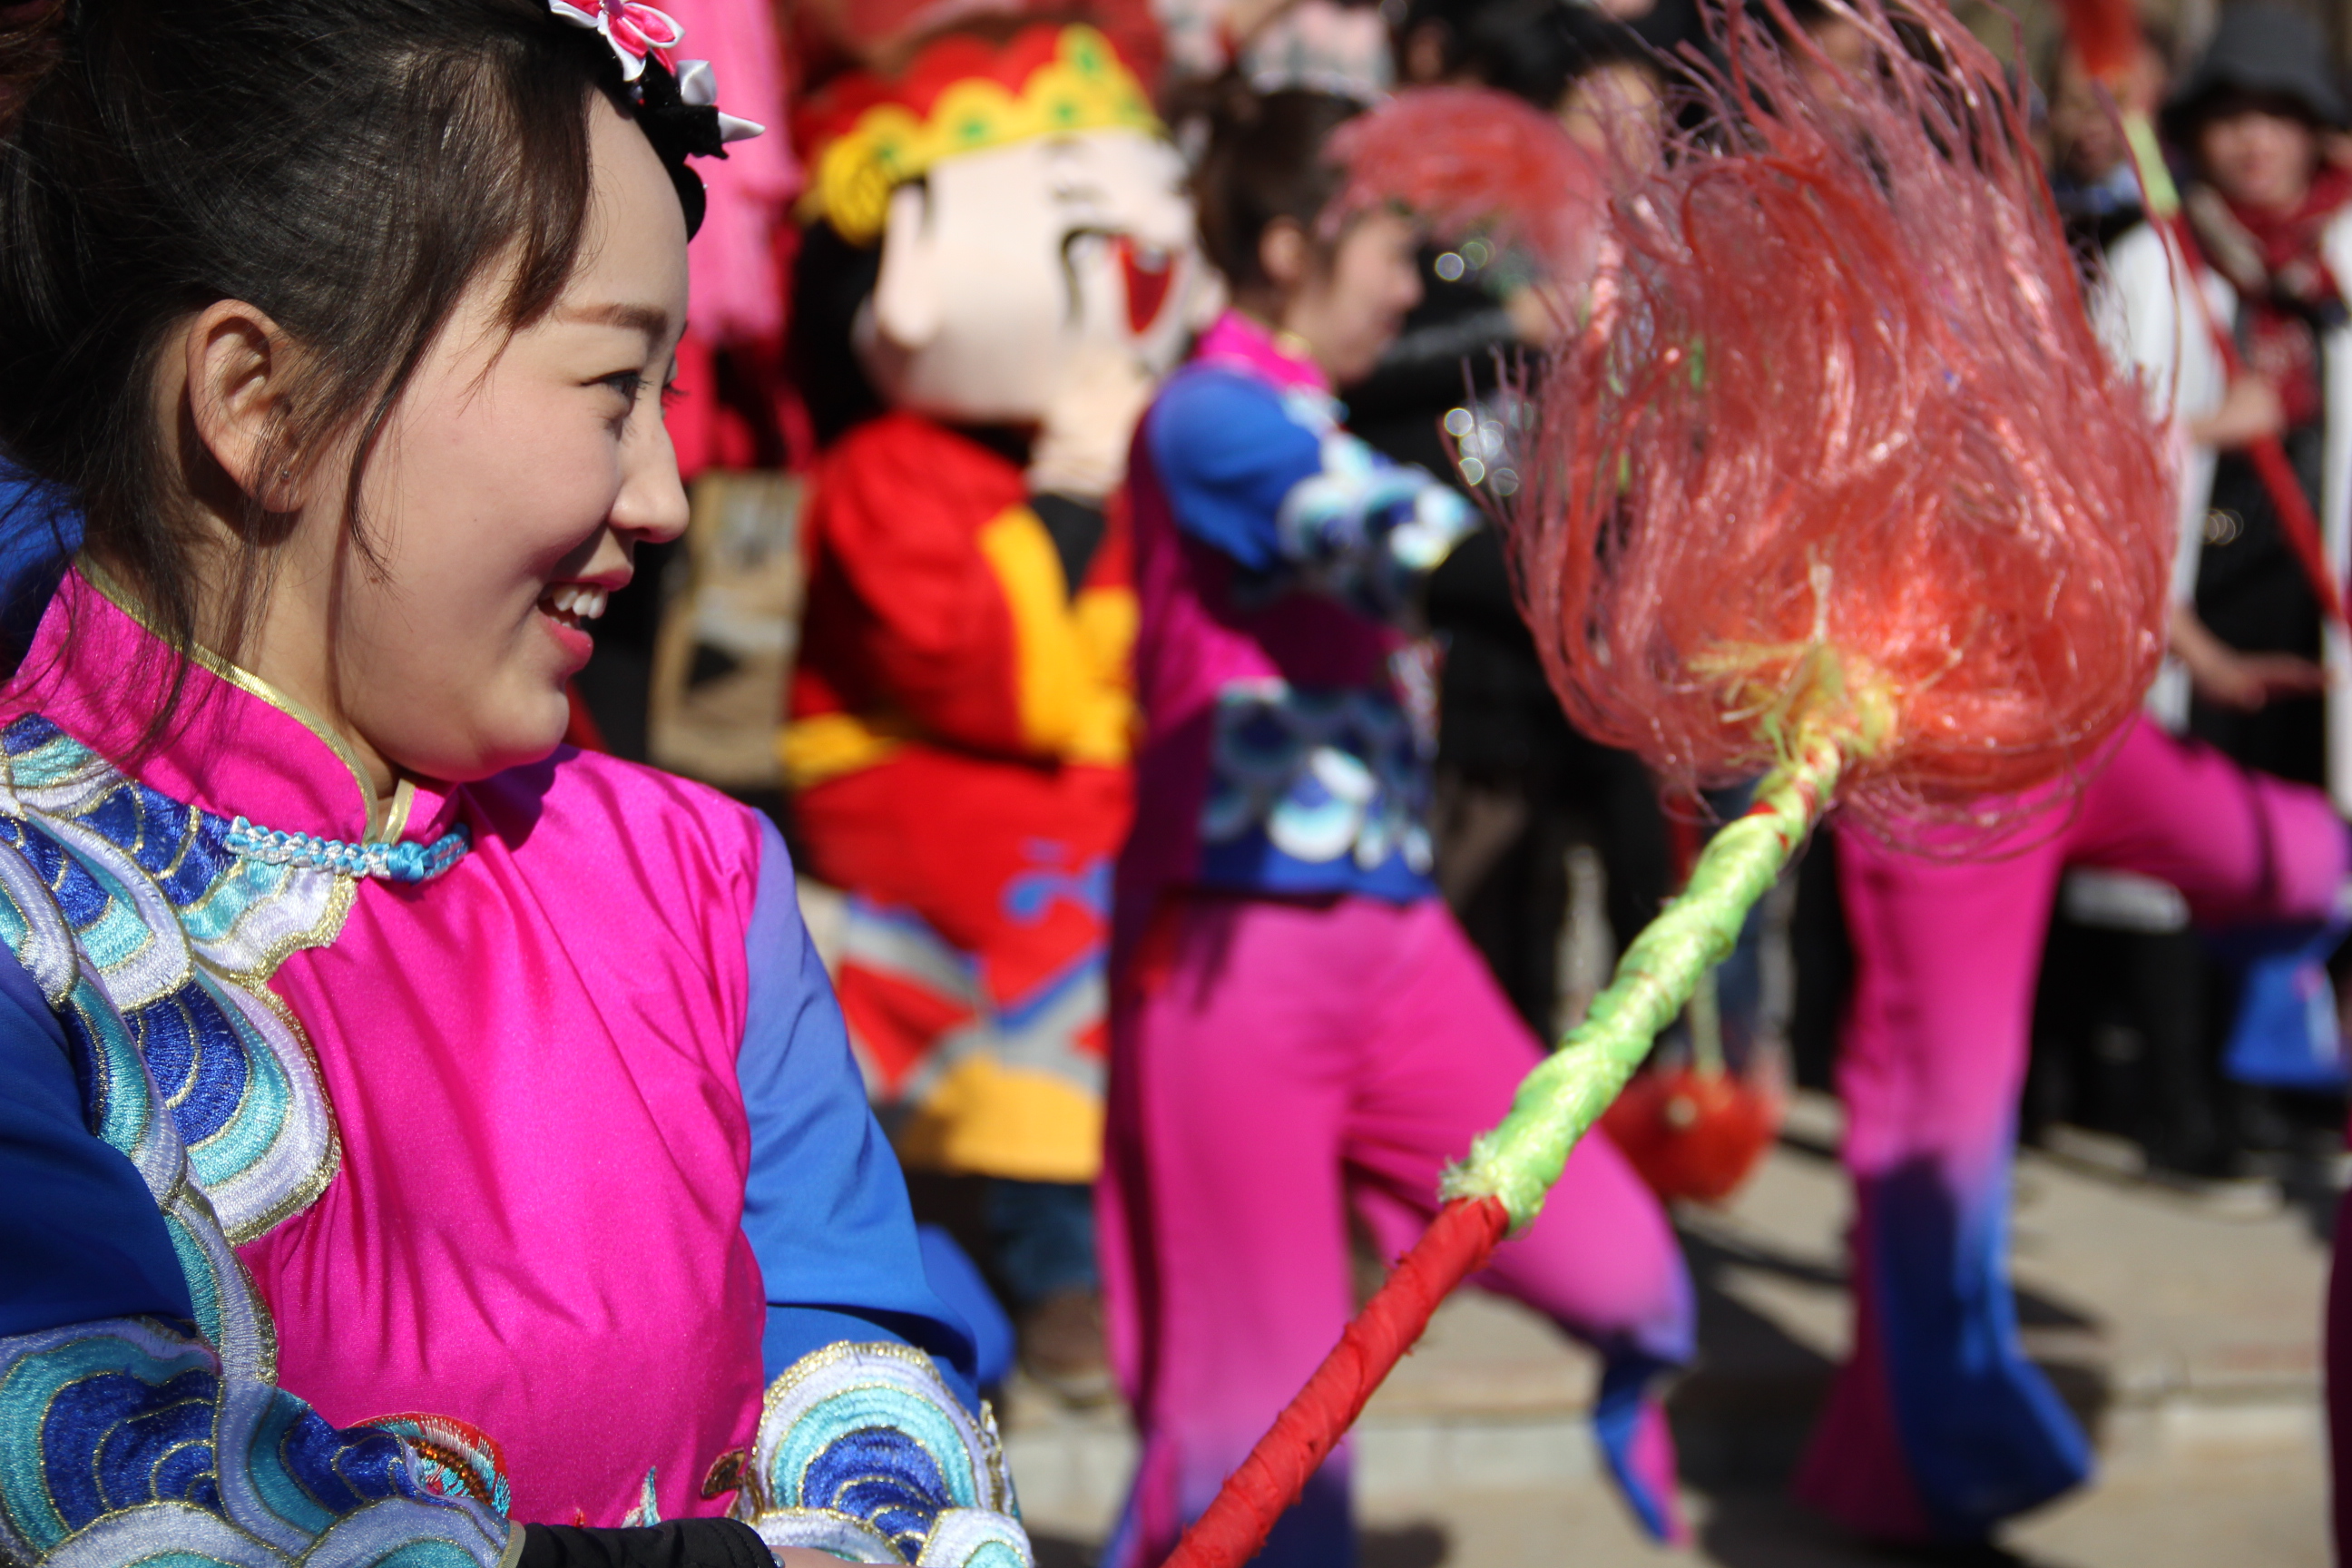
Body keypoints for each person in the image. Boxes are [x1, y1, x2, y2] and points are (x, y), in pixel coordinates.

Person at [0, 0, 1030, 1563]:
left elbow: (880, 1420)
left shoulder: (696, 888)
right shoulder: (27, 932)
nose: (665, 499)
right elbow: (106, 1495)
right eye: (611, 389)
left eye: (668, 402)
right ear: (258, 406)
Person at [1098, 86, 1695, 1568]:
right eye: (1388, 252)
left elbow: (1500, 495)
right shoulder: (1212, 419)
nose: (1404, 287)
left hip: (1396, 948)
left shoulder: (1346, 412)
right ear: (1296, 244)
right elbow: (1440, 559)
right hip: (1240, 961)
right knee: (1264, 1438)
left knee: (1633, 1276)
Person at [783, 18, 1217, 1403]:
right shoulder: (886, 467)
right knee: (1052, 917)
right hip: (935, 792)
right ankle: (1054, 1268)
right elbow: (959, 659)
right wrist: (1071, 514)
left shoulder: (1112, 448)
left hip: (1069, 788)